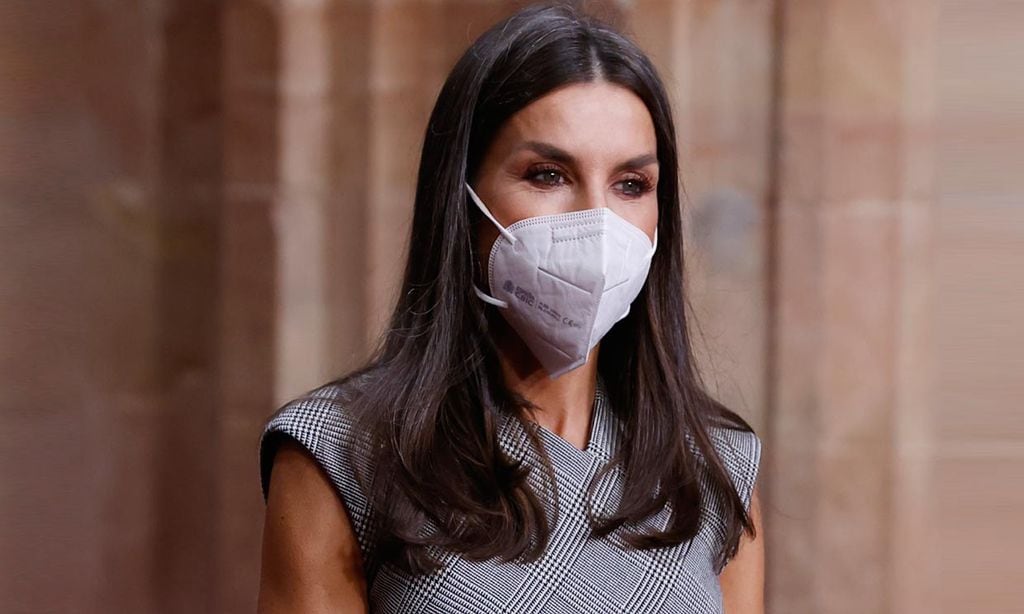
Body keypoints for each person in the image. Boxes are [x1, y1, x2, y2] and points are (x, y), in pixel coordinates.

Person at [257, 3, 764, 613]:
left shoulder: (712, 465)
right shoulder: (344, 455)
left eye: (631, 185)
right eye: (548, 174)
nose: (597, 221)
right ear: (464, 198)